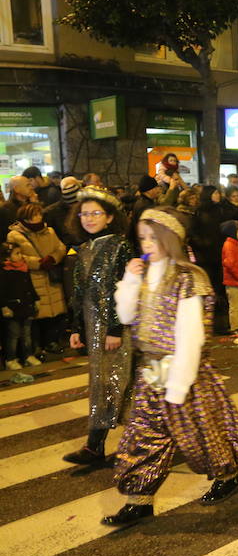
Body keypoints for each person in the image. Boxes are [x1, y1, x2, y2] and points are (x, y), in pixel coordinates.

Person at [104, 207, 238, 526]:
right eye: (142, 238)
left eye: (153, 238)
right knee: (142, 437)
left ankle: (228, 475)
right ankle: (139, 500)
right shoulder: (142, 273)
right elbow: (127, 316)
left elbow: (190, 337)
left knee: (203, 434)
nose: (146, 244)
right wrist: (129, 279)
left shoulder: (188, 278)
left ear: (170, 239)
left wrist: (178, 387)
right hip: (150, 372)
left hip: (184, 374)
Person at [64, 187, 133, 465]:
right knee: (102, 384)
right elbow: (78, 293)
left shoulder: (120, 246)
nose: (89, 218)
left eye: (96, 213)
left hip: (115, 329)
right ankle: (95, 446)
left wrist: (115, 329)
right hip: (92, 328)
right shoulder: (82, 249)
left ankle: (100, 445)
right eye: (84, 213)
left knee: (118, 383)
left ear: (109, 217)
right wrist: (75, 328)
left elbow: (126, 289)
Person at [7, 203, 67, 355]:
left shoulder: (49, 231)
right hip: (32, 278)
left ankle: (51, 341)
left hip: (50, 276)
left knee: (54, 313)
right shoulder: (14, 235)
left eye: (39, 214)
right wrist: (38, 263)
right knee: (36, 315)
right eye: (35, 215)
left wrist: (53, 258)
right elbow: (16, 256)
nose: (38, 217)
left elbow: (60, 248)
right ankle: (35, 347)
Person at [0, 242, 39, 370]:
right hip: (13, 307)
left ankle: (28, 355)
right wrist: (4, 306)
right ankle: (10, 358)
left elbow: (29, 286)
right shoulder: (4, 272)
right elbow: (2, 291)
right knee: (13, 334)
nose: (20, 256)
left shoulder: (23, 268)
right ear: (7, 257)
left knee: (27, 333)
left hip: (26, 306)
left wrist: (35, 299)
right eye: (17, 253)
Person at [220, 220, 238, 335]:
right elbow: (230, 264)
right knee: (235, 305)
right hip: (233, 280)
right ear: (233, 232)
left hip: (237, 280)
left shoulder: (235, 244)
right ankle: (235, 327)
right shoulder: (229, 245)